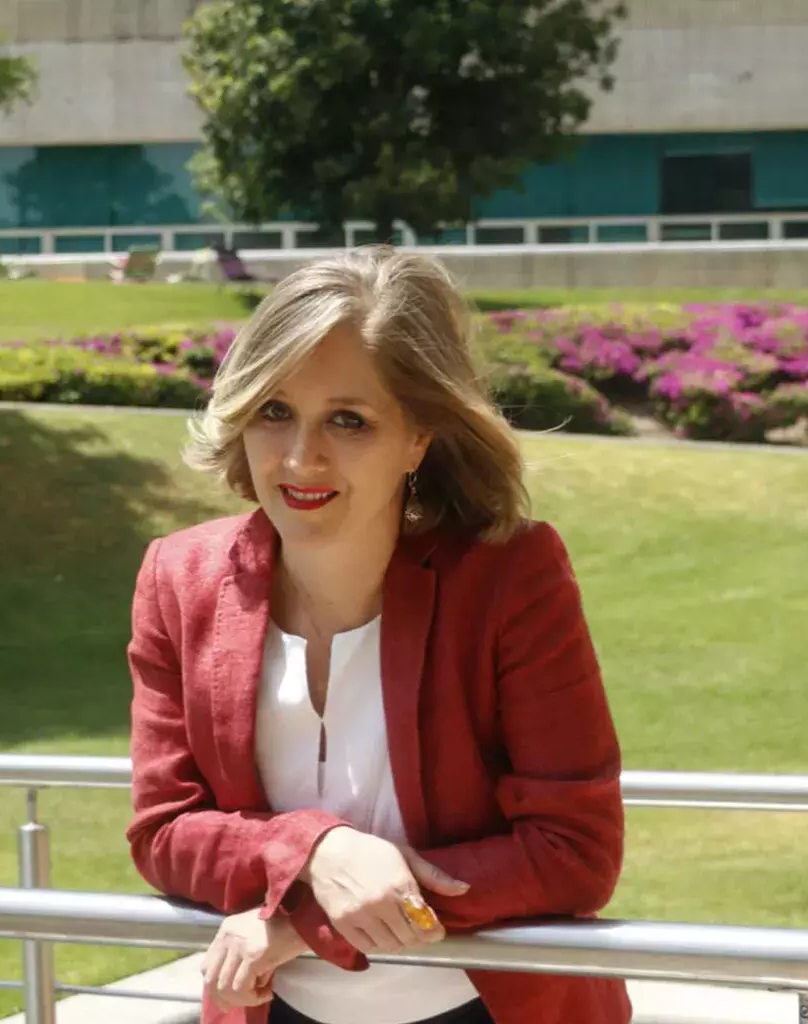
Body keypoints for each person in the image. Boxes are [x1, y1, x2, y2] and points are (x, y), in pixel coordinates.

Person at [125, 246, 628, 1024]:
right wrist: (315, 851)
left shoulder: (509, 578)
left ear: (419, 437)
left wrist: (306, 923)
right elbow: (164, 831)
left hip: (487, 1009)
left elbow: (574, 853)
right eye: (274, 411)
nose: (300, 457)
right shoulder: (178, 578)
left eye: (348, 420)